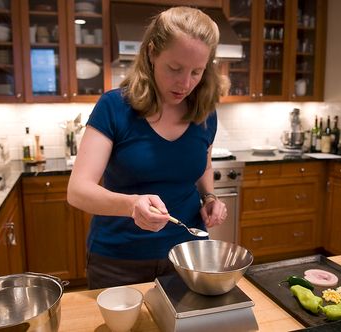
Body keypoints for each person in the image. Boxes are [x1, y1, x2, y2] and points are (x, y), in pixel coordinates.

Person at [67, 6, 229, 289]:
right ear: (152, 53)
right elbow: (78, 191)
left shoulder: (205, 112)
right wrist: (131, 205)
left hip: (188, 256)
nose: (185, 83)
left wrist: (210, 197)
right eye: (175, 68)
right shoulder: (114, 106)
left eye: (196, 72)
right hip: (119, 260)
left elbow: (204, 164)